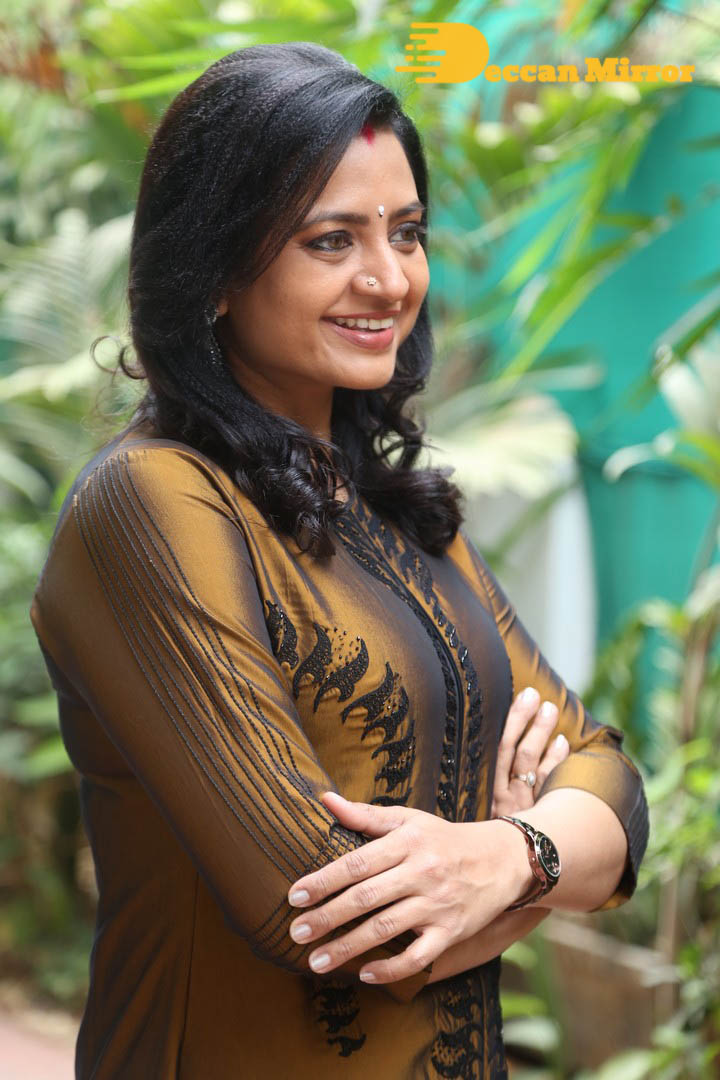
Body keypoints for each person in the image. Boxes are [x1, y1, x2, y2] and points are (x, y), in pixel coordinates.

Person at [29, 42, 649, 1079]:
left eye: (406, 233)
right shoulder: (152, 503)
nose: (390, 279)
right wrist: (540, 867)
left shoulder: (398, 511)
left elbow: (613, 785)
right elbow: (321, 912)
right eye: (331, 240)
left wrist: (510, 853)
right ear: (215, 271)